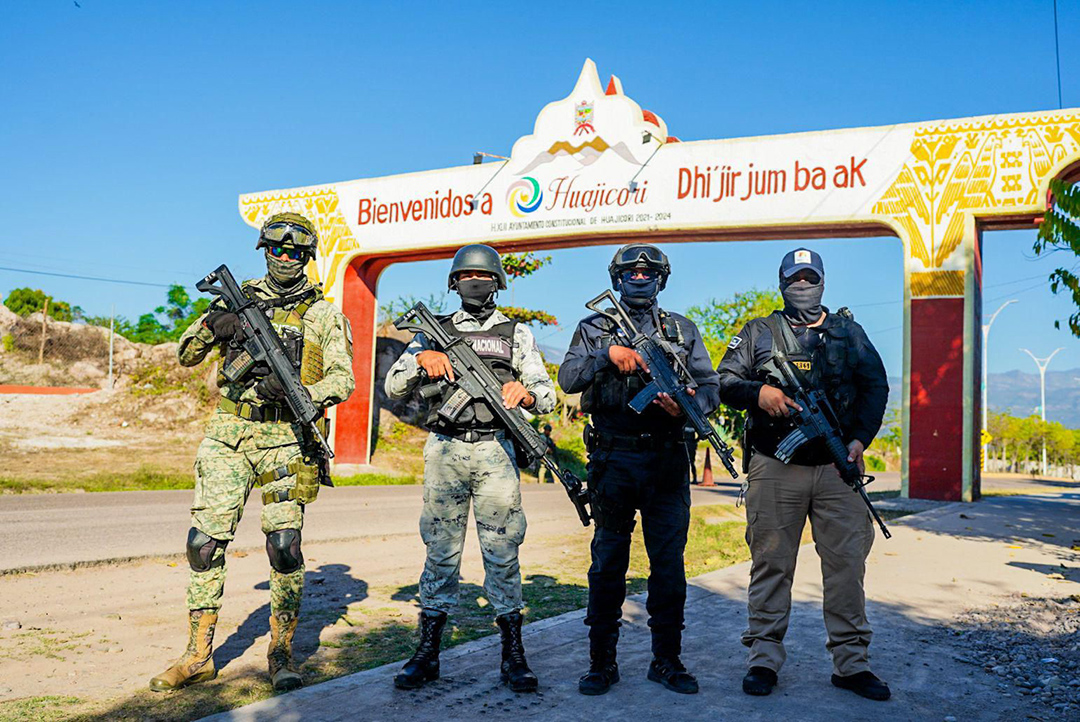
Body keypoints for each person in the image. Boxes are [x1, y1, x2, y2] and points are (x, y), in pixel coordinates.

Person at [150, 213, 355, 693]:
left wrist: (299, 392)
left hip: (286, 437)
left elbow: (343, 379)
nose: (286, 258)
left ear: (308, 257)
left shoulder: (324, 314)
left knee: (284, 548)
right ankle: (197, 656)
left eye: (296, 251)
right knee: (203, 545)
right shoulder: (236, 299)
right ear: (264, 250)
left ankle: (281, 654)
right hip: (229, 434)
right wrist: (213, 326)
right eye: (278, 249)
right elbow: (185, 354)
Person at [716, 248, 890, 701]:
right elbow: (724, 382)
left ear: (823, 283)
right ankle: (763, 659)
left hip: (837, 468)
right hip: (776, 466)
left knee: (846, 567)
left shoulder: (848, 332)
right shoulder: (758, 332)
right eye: (795, 279)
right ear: (782, 284)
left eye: (810, 279)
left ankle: (852, 664)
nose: (803, 286)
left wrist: (860, 440)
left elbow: (875, 386)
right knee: (771, 565)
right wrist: (759, 393)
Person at [385, 244, 556, 693]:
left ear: (497, 283)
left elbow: (548, 394)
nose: (474, 283)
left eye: (482, 277)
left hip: (496, 451)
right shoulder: (433, 331)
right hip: (445, 450)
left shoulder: (516, 333)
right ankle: (427, 653)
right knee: (440, 552)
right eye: (466, 277)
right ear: (454, 283)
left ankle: (513, 654)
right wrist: (420, 359)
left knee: (502, 551)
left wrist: (526, 393)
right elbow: (393, 385)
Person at [558, 243, 719, 696]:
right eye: (632, 272)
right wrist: (606, 355)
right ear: (618, 279)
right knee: (608, 562)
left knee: (668, 565)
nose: (640, 278)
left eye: (649, 273)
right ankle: (601, 663)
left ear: (661, 280)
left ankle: (667, 660)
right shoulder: (594, 327)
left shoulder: (682, 329)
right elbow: (568, 379)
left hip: (667, 459)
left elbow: (710, 385)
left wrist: (687, 406)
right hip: (613, 459)